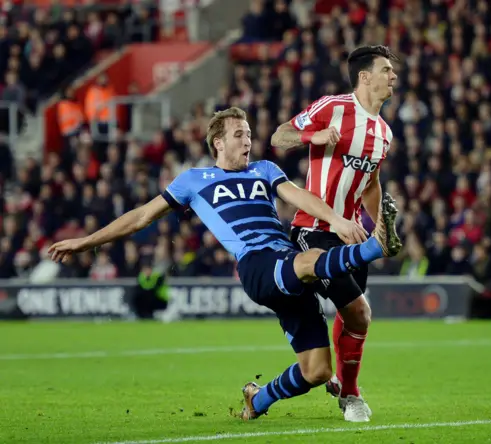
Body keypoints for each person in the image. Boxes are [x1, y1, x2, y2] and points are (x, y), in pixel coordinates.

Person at [48, 107, 402, 421]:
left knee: (319, 371)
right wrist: (85, 242)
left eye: (249, 134)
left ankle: (258, 399)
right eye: (238, 135)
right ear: (218, 142)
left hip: (286, 263)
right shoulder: (194, 180)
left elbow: (301, 197)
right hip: (257, 264)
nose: (247, 140)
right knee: (312, 260)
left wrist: (337, 222)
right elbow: (141, 216)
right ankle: (376, 246)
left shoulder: (264, 169)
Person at [270, 45, 398, 422]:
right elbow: (279, 137)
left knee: (354, 314)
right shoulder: (333, 107)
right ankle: (352, 395)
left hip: (352, 233)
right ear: (364, 76)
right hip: (314, 230)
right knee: (360, 311)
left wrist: (381, 229)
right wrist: (313, 137)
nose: (393, 76)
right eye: (386, 70)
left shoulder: (384, 133)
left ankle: (343, 383)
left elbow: (371, 183)